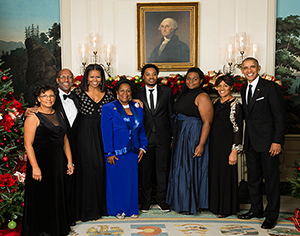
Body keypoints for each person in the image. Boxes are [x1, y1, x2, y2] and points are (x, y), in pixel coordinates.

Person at [25, 68, 79, 226]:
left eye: (51, 95)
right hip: (41, 162)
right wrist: (34, 167)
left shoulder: (59, 114)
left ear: (55, 97)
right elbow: (28, 144)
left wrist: (69, 162)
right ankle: (43, 229)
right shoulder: (33, 117)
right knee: (42, 196)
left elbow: (65, 139)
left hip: (58, 162)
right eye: (44, 96)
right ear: (38, 98)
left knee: (57, 195)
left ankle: (57, 227)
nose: (48, 98)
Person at [237, 58, 286, 229]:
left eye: (252, 67)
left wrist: (277, 141)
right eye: (245, 68)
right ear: (242, 71)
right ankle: (256, 209)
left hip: (268, 142)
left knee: (271, 180)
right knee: (253, 179)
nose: (249, 70)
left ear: (258, 68)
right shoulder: (243, 88)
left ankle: (271, 215)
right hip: (251, 142)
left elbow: (279, 116)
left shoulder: (270, 87)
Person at [167, 67, 213, 215]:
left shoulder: (203, 96)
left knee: (189, 167)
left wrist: (200, 144)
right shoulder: (184, 93)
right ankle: (181, 201)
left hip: (193, 133)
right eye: (188, 78)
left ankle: (191, 203)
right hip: (181, 132)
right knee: (181, 167)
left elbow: (207, 122)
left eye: (195, 79)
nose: (191, 81)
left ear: (201, 81)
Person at [101, 79, 148, 219]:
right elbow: (106, 132)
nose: (125, 93)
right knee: (116, 181)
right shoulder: (109, 108)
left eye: (128, 90)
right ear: (117, 92)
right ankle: (118, 209)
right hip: (116, 151)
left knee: (131, 181)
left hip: (133, 151)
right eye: (122, 90)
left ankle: (131, 209)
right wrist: (109, 152)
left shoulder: (137, 107)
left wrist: (143, 146)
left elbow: (141, 129)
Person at [74, 64, 115, 221]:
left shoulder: (109, 94)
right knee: (87, 167)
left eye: (98, 76)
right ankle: (87, 209)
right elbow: (62, 107)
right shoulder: (77, 92)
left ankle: (102, 207)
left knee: (101, 167)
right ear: (86, 77)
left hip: (103, 133)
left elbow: (120, 108)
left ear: (102, 78)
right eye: (91, 76)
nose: (95, 80)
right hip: (84, 133)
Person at [133, 64, 174, 213]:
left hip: (163, 137)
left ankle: (162, 201)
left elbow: (171, 115)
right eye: (148, 74)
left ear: (157, 76)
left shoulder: (167, 92)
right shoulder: (136, 94)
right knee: (145, 171)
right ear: (143, 77)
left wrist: (172, 136)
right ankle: (146, 201)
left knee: (163, 170)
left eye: (154, 74)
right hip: (144, 138)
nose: (151, 77)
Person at [209, 75, 243, 218]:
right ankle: (215, 206)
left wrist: (234, 150)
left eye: (225, 85)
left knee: (226, 176)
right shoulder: (215, 103)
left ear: (231, 87)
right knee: (215, 175)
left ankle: (226, 209)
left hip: (228, 146)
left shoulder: (236, 105)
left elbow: (238, 129)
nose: (222, 88)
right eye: (219, 85)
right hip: (214, 145)